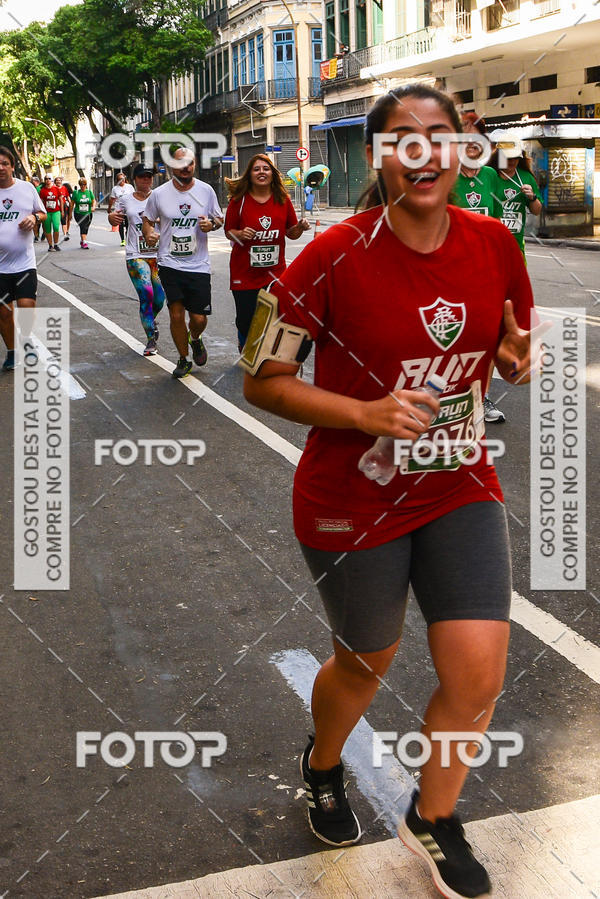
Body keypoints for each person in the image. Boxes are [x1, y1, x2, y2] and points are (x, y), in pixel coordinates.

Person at [243, 84, 545, 899]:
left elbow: (513, 339)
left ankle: (434, 816)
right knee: (365, 658)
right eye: (403, 138)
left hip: (458, 483)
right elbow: (261, 379)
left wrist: (515, 359)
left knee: (478, 675)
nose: (424, 150)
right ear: (379, 156)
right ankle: (324, 761)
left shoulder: (493, 242)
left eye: (440, 135)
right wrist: (363, 410)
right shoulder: (329, 254)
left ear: (460, 150)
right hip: (353, 495)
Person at [142, 147, 223, 378]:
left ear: (194, 165)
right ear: (171, 166)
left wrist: (212, 225)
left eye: (190, 163)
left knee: (198, 318)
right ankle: (183, 358)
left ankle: (195, 338)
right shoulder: (159, 194)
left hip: (198, 265)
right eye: (181, 163)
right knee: (176, 314)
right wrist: (148, 233)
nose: (186, 167)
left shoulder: (206, 191)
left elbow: (219, 218)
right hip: (169, 263)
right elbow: (147, 220)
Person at [224, 153, 309, 351]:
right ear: (250, 175)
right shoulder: (239, 201)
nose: (261, 172)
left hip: (275, 273)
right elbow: (229, 232)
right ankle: (244, 342)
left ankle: (262, 356)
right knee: (245, 320)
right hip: (244, 274)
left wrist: (300, 227)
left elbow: (291, 234)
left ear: (272, 173)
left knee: (274, 316)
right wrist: (241, 234)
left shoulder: (282, 200)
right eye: (256, 169)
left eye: (266, 168)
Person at [453, 112, 506, 423]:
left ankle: (481, 398)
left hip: (484, 274)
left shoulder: (489, 177)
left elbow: (496, 224)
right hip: (449, 273)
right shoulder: (444, 177)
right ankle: (447, 398)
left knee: (484, 337)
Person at [108, 163, 165, 355]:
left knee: (159, 299)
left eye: (149, 177)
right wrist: (112, 218)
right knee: (146, 295)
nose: (146, 180)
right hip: (136, 255)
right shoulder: (125, 200)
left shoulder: (160, 196)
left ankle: (150, 319)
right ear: (135, 180)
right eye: (142, 177)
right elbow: (113, 214)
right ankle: (150, 339)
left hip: (158, 255)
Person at [0, 145, 46, 370]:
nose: (1, 168)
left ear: (12, 166)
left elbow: (43, 212)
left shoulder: (27, 188)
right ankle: (11, 352)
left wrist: (35, 218)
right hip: (0, 268)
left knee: (27, 305)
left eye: (4, 163)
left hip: (24, 263)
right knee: (4, 313)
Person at [490, 137, 542, 259]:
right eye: (508, 157)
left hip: (516, 245)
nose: (512, 161)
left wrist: (532, 197)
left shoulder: (526, 177)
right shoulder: (488, 175)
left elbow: (537, 211)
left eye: (515, 157)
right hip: (491, 244)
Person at [39, 174, 63, 252]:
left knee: (56, 227)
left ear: (52, 180)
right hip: (47, 213)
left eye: (49, 178)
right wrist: (41, 212)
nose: (48, 180)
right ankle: (50, 245)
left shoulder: (56, 189)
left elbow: (61, 200)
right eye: (46, 179)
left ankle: (55, 244)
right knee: (47, 229)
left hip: (56, 211)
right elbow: (41, 202)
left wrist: (62, 211)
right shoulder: (42, 191)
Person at [109, 172, 134, 246]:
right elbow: (112, 199)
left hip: (128, 209)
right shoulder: (115, 189)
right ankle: (123, 240)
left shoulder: (129, 187)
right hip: (119, 210)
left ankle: (128, 238)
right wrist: (109, 208)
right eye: (120, 179)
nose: (122, 180)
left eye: (123, 179)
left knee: (128, 225)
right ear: (117, 180)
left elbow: (134, 197)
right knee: (120, 225)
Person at [71, 178, 96, 249]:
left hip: (88, 213)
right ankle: (84, 242)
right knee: (83, 226)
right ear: (79, 185)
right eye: (81, 184)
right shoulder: (76, 193)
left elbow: (94, 201)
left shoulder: (89, 192)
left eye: (84, 184)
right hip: (78, 213)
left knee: (86, 227)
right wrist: (70, 214)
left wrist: (93, 207)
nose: (83, 186)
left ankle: (82, 240)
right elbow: (72, 204)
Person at [55, 175, 72, 242]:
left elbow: (67, 196)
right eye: (57, 181)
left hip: (64, 206)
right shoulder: (53, 188)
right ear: (55, 182)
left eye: (59, 181)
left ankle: (65, 234)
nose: (58, 182)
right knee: (55, 222)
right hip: (55, 206)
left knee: (64, 220)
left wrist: (70, 202)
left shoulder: (64, 188)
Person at [31, 175, 41, 241]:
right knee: (35, 222)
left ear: (37, 182)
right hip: (33, 207)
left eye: (32, 181)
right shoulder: (31, 188)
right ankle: (36, 236)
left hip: (41, 207)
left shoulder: (41, 188)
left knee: (40, 222)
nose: (31, 182)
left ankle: (43, 234)